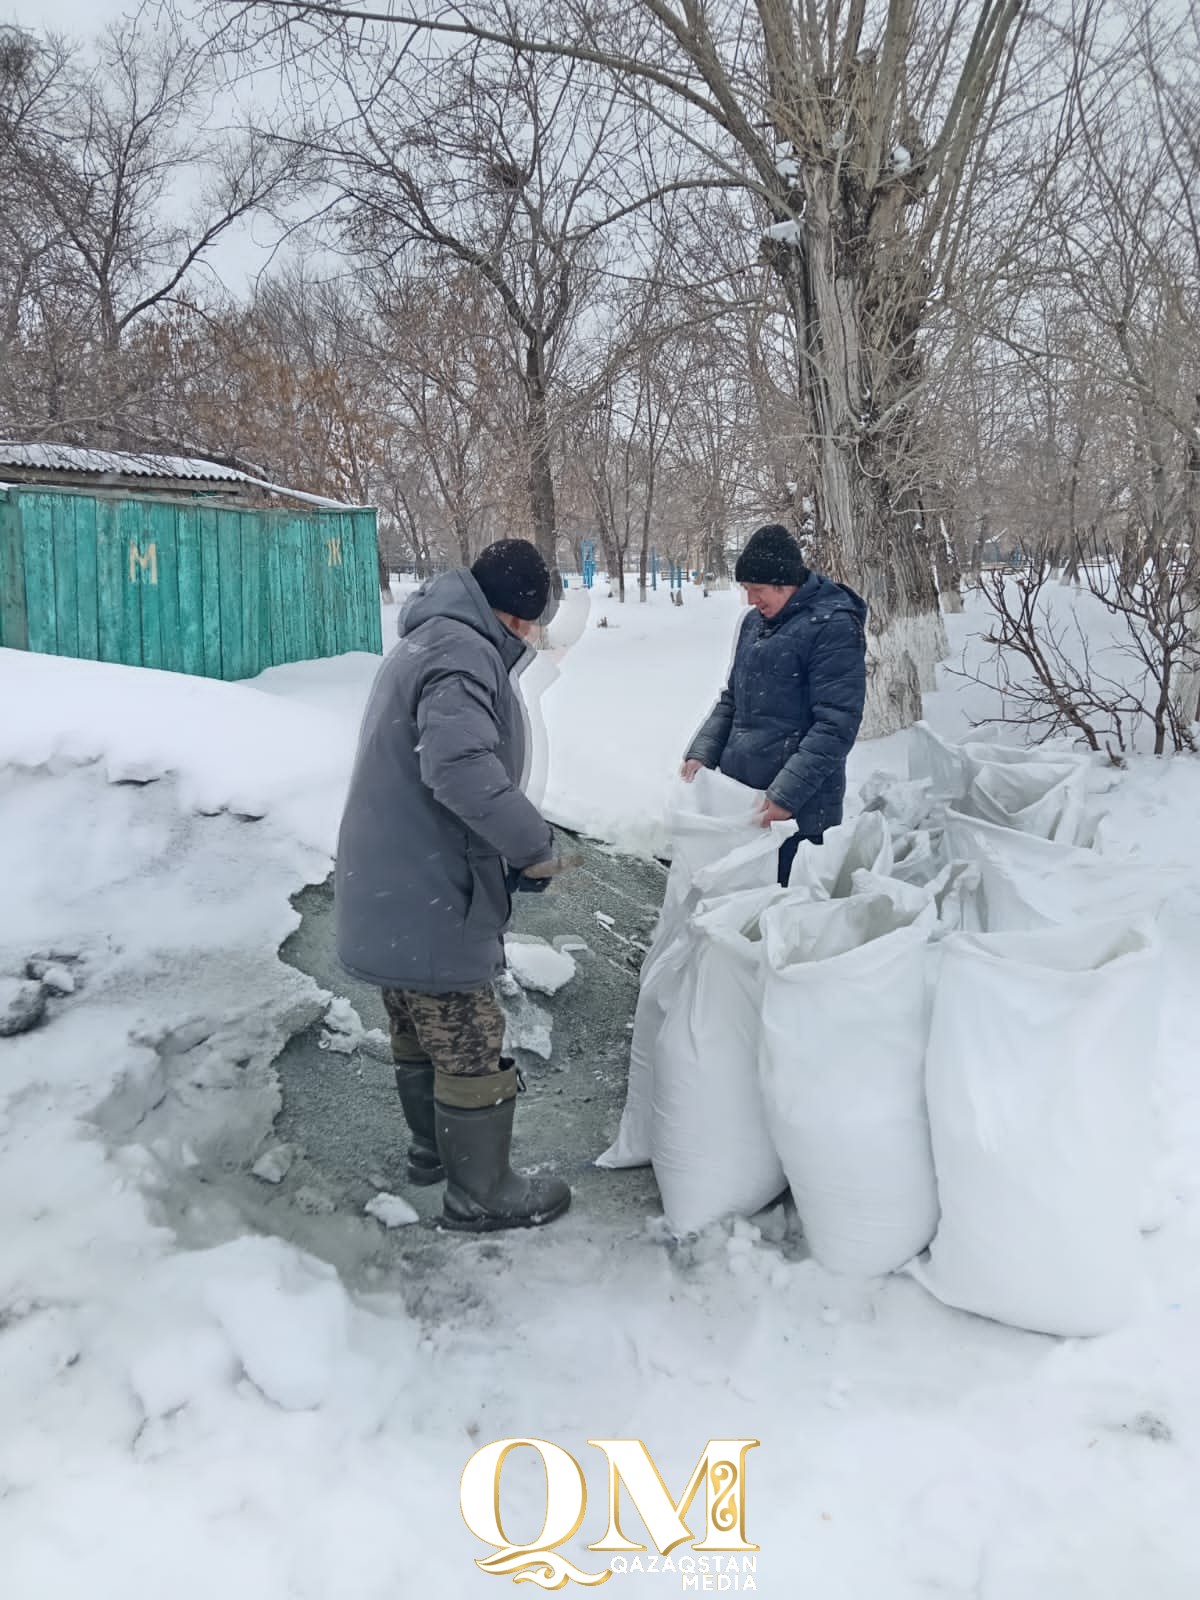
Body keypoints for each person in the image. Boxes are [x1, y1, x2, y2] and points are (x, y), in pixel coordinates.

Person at [335, 540, 572, 1232]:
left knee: (415, 1017)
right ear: (518, 616)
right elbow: (461, 770)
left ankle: (431, 1151)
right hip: (427, 882)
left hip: (390, 874)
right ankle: (482, 1192)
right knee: (468, 1034)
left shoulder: (428, 638)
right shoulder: (464, 652)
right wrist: (536, 849)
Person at [681, 524, 868, 886]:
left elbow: (836, 725)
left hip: (799, 809)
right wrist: (703, 750)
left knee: (786, 915)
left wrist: (786, 796)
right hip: (747, 798)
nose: (750, 600)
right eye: (746, 590)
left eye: (757, 590)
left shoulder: (833, 627)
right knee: (739, 906)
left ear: (785, 584)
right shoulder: (755, 623)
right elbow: (733, 698)